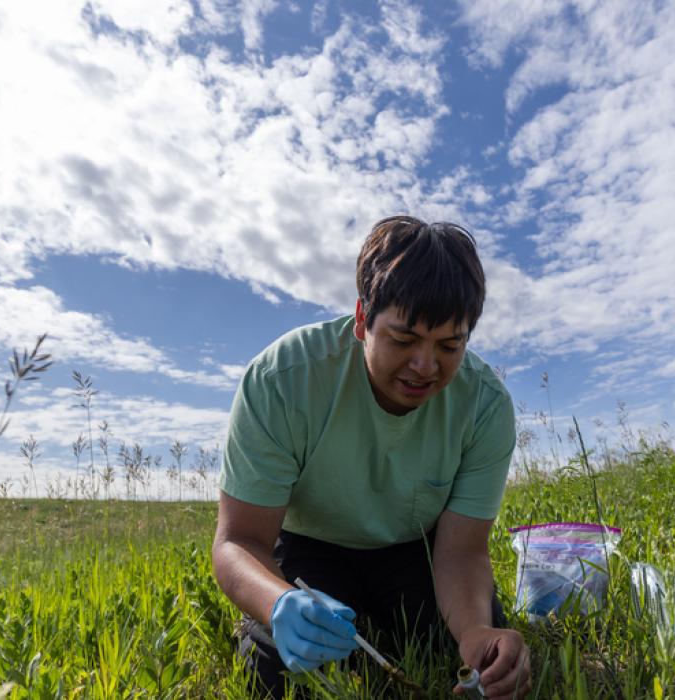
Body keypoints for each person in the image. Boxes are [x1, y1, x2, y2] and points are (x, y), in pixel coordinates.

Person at [212, 215, 532, 699]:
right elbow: (238, 542)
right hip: (308, 552)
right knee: (275, 671)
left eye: (450, 345)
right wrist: (279, 602)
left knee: (482, 660)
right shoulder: (283, 379)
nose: (425, 367)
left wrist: (474, 634)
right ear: (362, 319)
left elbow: (461, 551)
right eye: (403, 340)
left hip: (416, 550)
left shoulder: (485, 406)